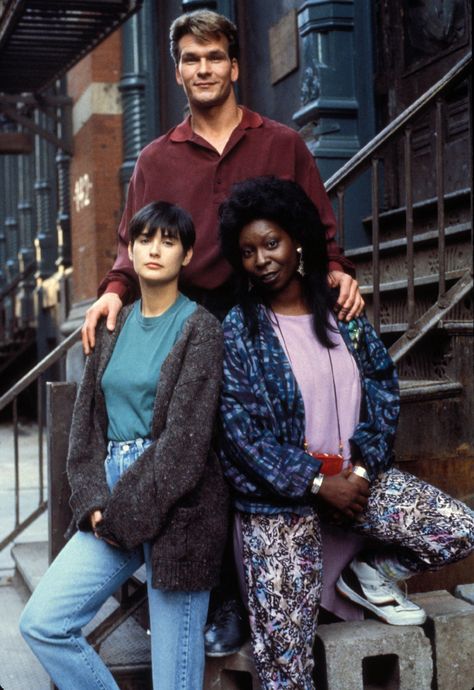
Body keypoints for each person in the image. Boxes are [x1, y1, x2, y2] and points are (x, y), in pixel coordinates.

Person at [80, 8, 364, 656]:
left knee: (270, 444)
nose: (203, 69)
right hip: (197, 314)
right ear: (178, 71)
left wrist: (341, 272)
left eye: (214, 58)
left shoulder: (282, 142)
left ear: (234, 66)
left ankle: (326, 566)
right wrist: (111, 293)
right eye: (190, 59)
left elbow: (318, 227)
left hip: (270, 308)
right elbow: (132, 243)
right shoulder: (156, 158)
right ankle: (220, 597)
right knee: (204, 460)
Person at [217, 175, 474, 689]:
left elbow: (381, 390)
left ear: (297, 242)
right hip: (280, 509)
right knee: (285, 672)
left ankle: (368, 574)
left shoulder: (343, 313)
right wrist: (317, 482)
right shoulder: (238, 329)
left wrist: (358, 468)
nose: (262, 259)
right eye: (248, 251)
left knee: (459, 528)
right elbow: (241, 436)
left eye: (271, 243)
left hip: (357, 484)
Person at [20, 201, 228, 690]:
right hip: (112, 495)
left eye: (169, 241)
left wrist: (121, 519)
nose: (155, 249)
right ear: (130, 251)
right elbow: (86, 430)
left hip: (180, 505)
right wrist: (93, 502)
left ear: (187, 254)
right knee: (44, 623)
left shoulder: (201, 329)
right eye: (145, 239)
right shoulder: (111, 327)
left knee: (174, 678)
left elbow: (184, 445)